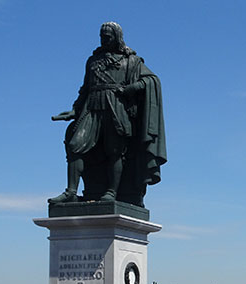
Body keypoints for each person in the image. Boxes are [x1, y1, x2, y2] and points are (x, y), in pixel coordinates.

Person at [48, 22, 167, 207]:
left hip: (116, 107)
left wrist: (131, 88)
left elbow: (152, 80)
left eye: (107, 36)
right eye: (101, 36)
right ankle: (71, 191)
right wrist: (74, 109)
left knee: (115, 151)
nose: (103, 39)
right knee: (75, 145)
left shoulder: (131, 60)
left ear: (117, 37)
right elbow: (85, 89)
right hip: (92, 106)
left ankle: (112, 192)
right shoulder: (93, 61)